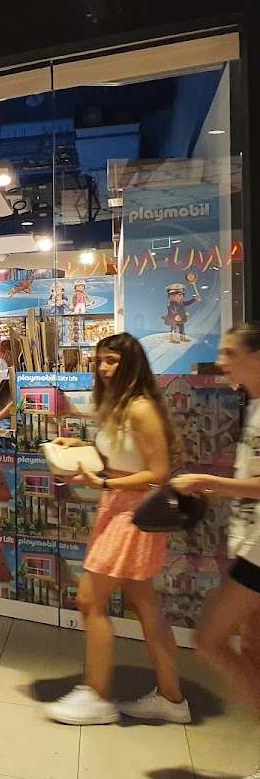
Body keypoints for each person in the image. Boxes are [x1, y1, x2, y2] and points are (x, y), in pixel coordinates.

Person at [46, 332, 188, 725]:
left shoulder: (140, 408)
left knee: (90, 599)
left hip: (133, 512)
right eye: (100, 361)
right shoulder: (119, 404)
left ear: (131, 363)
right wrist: (79, 445)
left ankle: (97, 694)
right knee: (144, 604)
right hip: (119, 508)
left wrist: (105, 483)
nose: (104, 368)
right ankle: (172, 699)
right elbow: (120, 455)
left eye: (112, 360)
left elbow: (159, 473)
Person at [171, 323, 260, 773]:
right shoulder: (254, 406)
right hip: (250, 546)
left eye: (230, 353)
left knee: (209, 639)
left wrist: (207, 482)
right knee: (252, 649)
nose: (221, 361)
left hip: (259, 554)